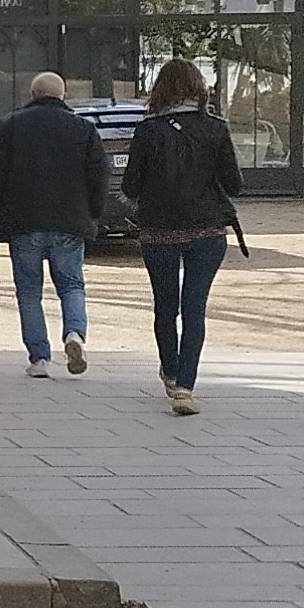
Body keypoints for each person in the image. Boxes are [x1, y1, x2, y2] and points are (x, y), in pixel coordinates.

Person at [122, 55, 239, 415]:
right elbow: (234, 185)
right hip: (206, 230)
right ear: (199, 89)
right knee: (194, 308)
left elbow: (130, 186)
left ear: (160, 90)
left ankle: (171, 372)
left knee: (165, 305)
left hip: (158, 231)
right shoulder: (216, 128)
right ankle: (186, 386)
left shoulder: (147, 131)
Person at [0, 67, 108, 376]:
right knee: (72, 285)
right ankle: (74, 333)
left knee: (28, 291)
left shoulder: (10, 126)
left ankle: (39, 358)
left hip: (24, 222)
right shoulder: (83, 129)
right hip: (70, 220)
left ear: (32, 95)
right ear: (63, 96)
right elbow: (99, 175)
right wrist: (92, 213)